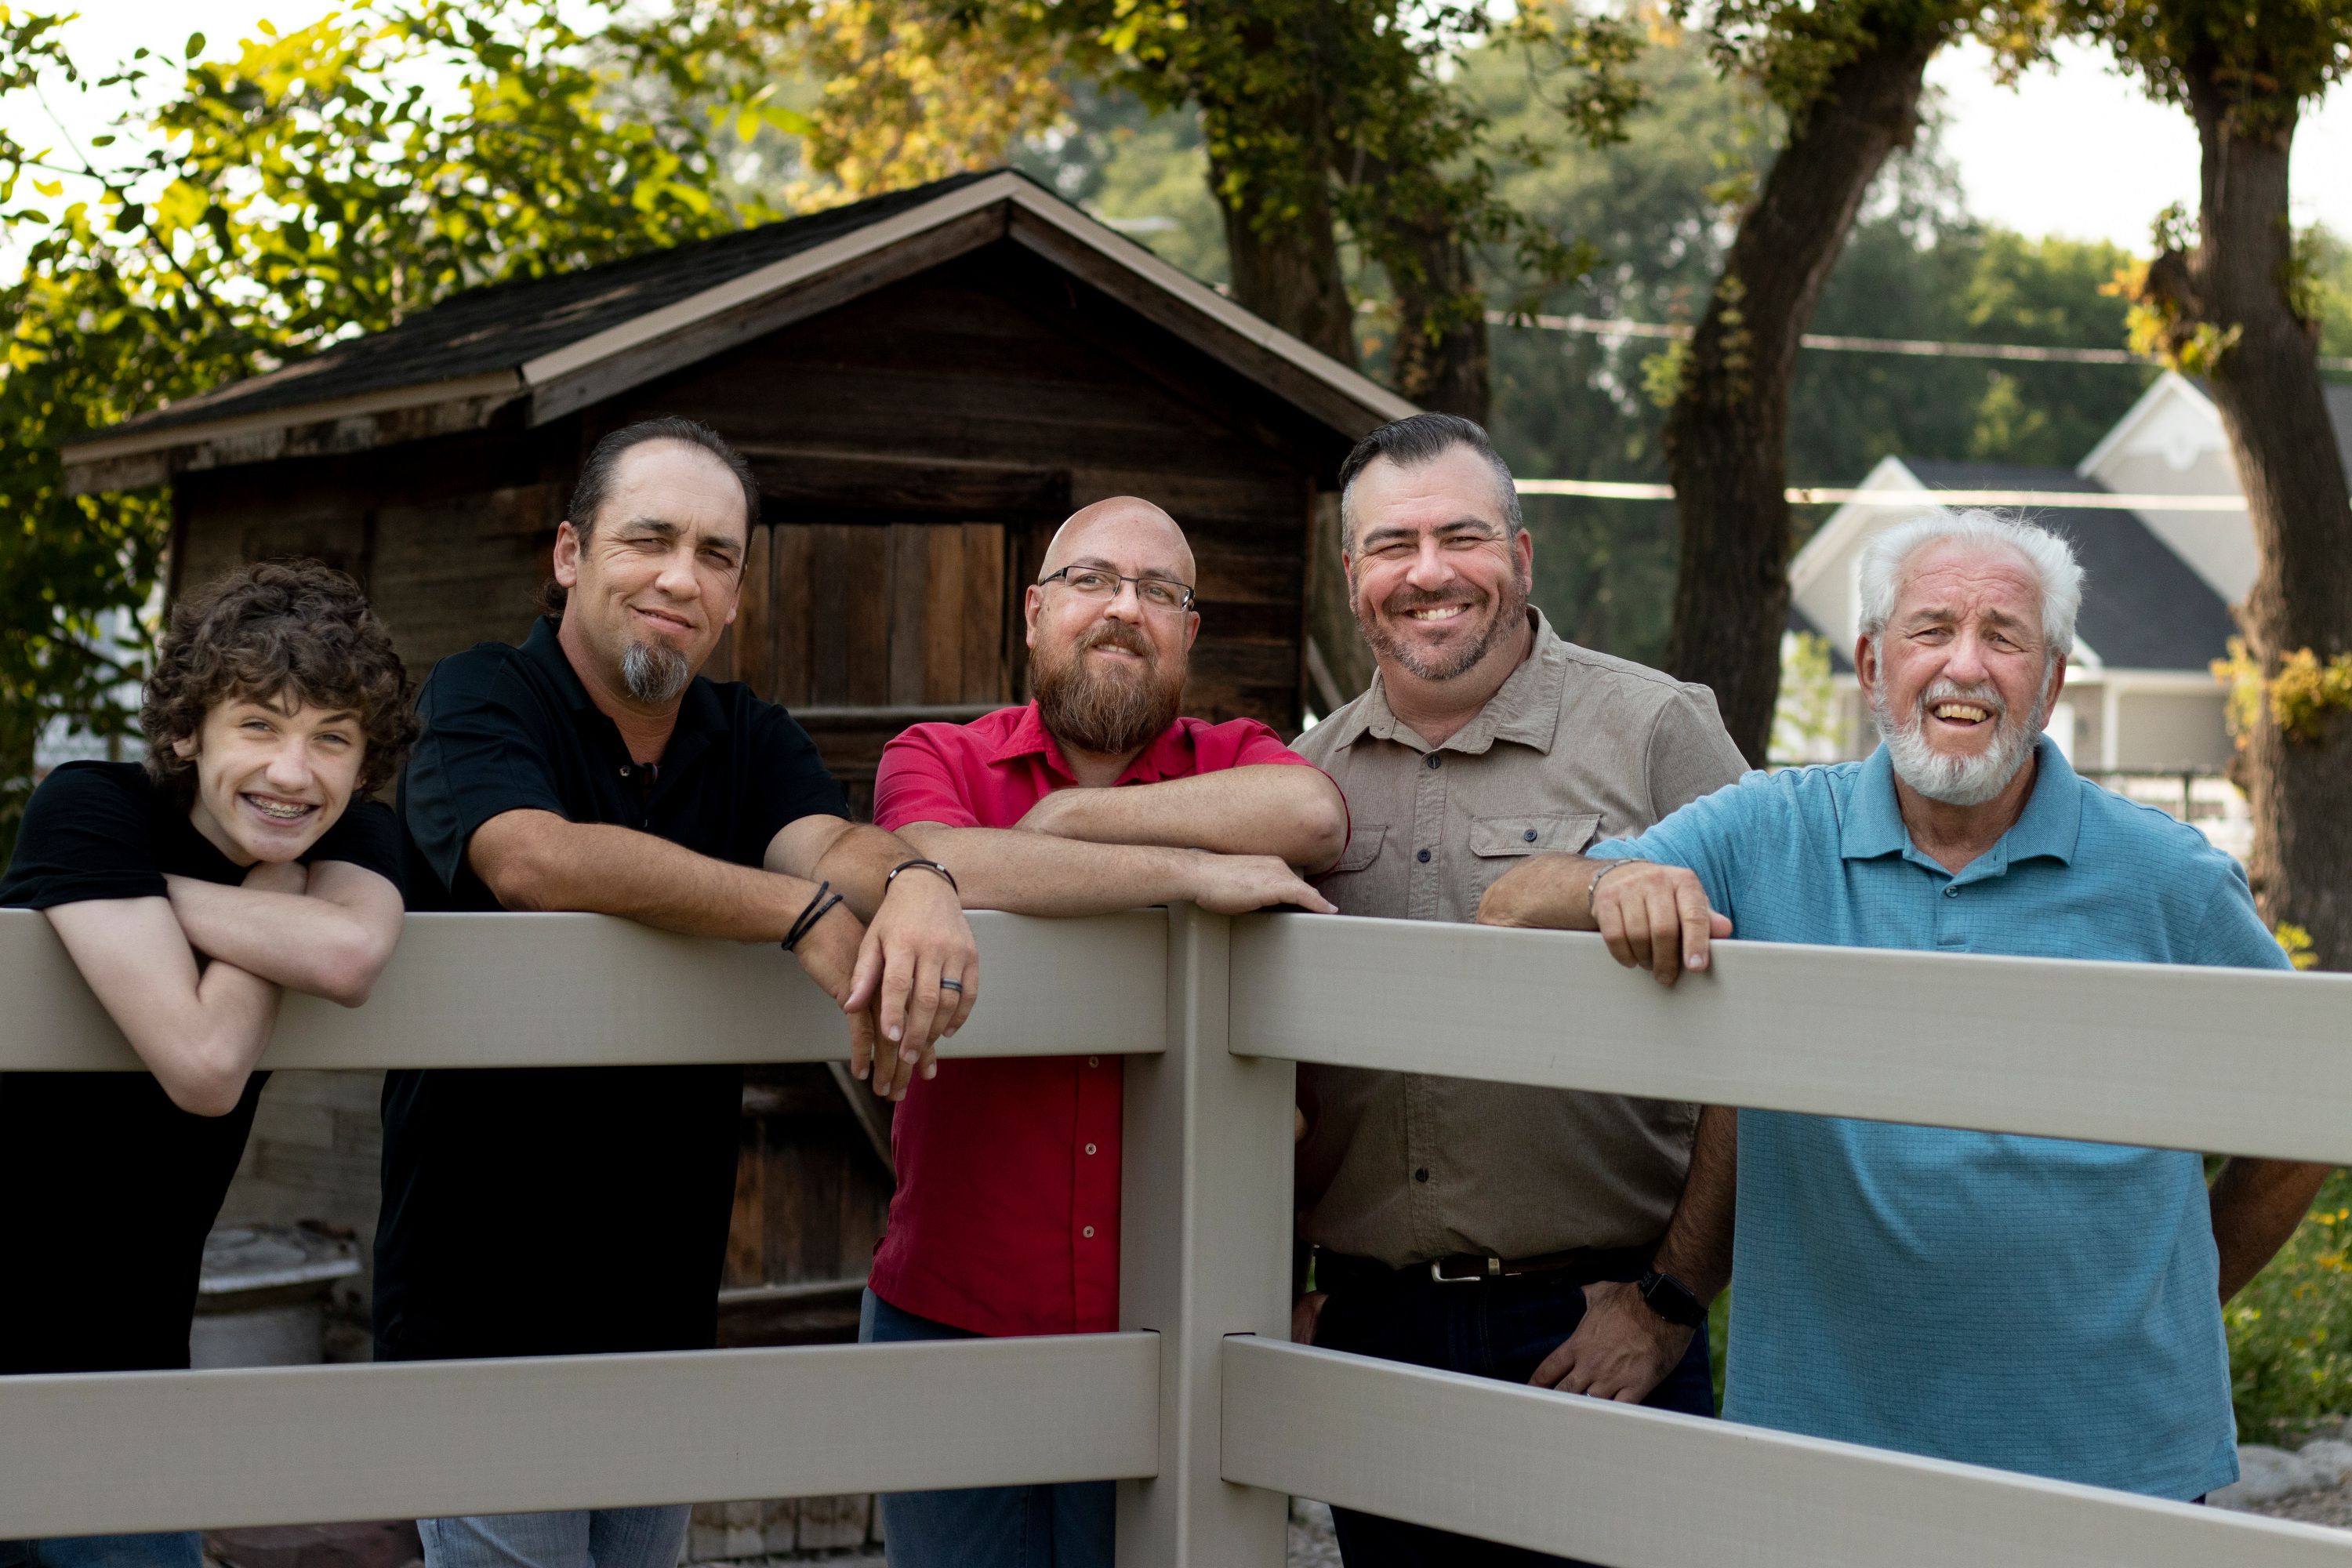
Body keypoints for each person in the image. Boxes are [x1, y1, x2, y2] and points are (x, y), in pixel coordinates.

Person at [1480, 510, 2331, 1501]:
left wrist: (2176, 1291)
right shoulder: (1770, 828)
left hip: (2116, 1458)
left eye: (2004, 637)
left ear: (2052, 683)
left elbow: (2309, 1101)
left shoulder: (2168, 877)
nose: (1964, 667)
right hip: (1822, 1451)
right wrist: (1602, 888)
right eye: (1931, 631)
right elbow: (1509, 905)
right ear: (1875, 662)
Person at [379, 417, 978, 1568]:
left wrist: (916, 883)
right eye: (647, 540)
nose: (680, 578)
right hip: (482, 1316)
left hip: (662, 1316)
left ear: (740, 592)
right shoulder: (480, 697)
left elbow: (826, 841)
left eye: (716, 555)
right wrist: (794, 913)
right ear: (568, 554)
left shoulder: (743, 735)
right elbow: (533, 860)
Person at [1289, 414, 1749, 1568]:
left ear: (1522, 557)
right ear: (1353, 579)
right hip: (1370, 1333)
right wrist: (1279, 1290)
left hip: (1595, 1322)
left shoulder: (1656, 729)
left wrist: (1671, 1302)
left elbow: (1771, 1043)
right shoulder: (1300, 783)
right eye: (1392, 546)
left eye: (1463, 536)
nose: (1429, 573)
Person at [859, 495, 1348, 1568]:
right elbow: (945, 859)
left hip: (1180, 1338)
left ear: (1190, 634)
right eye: (1092, 582)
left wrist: (1075, 823)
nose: (1125, 610)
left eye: (1159, 593)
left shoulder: (1238, 755)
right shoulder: (938, 754)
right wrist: (1189, 873)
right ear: (1034, 614)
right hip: (956, 1318)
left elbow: (1315, 816)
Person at [0, 561, 414, 1568]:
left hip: (129, 1370)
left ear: (363, 764)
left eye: (331, 738)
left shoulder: (348, 838)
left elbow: (346, 955)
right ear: (188, 732)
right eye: (261, 726)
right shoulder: (90, 810)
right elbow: (203, 1059)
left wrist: (173, 891)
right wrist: (275, 889)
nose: (292, 771)